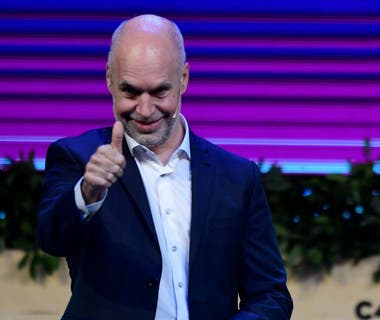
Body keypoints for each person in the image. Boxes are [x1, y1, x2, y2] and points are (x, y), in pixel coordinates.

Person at [36, 14, 293, 320]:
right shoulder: (77, 157)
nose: (145, 111)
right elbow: (52, 239)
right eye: (130, 92)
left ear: (183, 79)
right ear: (108, 79)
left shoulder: (236, 177)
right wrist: (88, 192)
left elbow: (270, 295)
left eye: (159, 92)